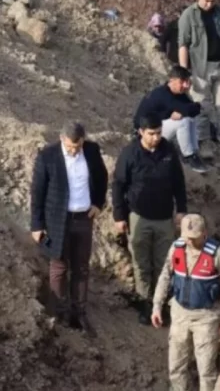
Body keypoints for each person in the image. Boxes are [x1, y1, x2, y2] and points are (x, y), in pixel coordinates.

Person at [152, 214, 220, 391]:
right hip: (180, 313)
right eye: (187, 237)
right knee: (176, 362)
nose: (190, 241)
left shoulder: (218, 253)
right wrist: (156, 306)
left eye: (195, 237)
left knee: (206, 368)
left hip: (206, 316)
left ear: (205, 234)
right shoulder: (176, 248)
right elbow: (165, 276)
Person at [30, 122, 108, 337]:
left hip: (83, 218)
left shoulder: (91, 151)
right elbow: (37, 192)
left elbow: (101, 177)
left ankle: (78, 313)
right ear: (62, 139)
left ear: (83, 141)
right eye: (70, 147)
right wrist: (37, 224)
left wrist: (98, 203)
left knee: (81, 267)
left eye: (78, 146)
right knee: (59, 266)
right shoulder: (48, 156)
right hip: (57, 219)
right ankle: (59, 312)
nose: (74, 151)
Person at [113, 115, 188, 325]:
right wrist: (119, 216)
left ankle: (160, 303)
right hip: (139, 216)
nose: (156, 138)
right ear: (141, 132)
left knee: (164, 263)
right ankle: (145, 303)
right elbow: (118, 185)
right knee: (141, 263)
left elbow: (179, 183)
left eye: (158, 133)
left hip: (164, 217)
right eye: (151, 134)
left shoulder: (169, 152)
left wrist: (181, 210)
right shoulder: (130, 153)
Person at [178, 0, 220, 143]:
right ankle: (203, 143)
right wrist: (183, 72)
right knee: (201, 107)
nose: (209, 4)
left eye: (213, 1)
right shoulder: (189, 15)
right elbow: (183, 44)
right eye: (206, 1)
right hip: (199, 68)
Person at [133, 65, 207, 173]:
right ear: (172, 80)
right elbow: (186, 108)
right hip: (145, 134)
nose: (185, 85)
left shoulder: (179, 94)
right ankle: (188, 155)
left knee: (190, 118)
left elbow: (195, 109)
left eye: (187, 81)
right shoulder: (163, 94)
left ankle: (194, 151)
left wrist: (186, 111)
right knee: (183, 121)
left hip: (158, 127)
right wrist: (184, 111)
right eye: (182, 82)